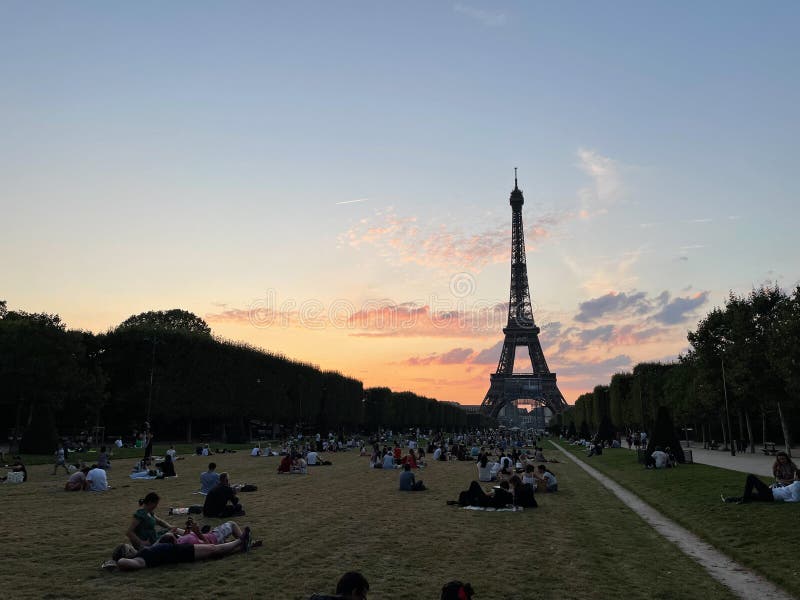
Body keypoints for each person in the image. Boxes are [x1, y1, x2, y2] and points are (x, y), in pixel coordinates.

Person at [106, 528, 252, 571]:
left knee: (213, 551)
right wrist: (115, 561)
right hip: (179, 554)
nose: (131, 547)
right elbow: (122, 563)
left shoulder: (144, 551)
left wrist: (167, 536)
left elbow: (157, 545)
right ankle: (241, 540)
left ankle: (241, 545)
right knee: (213, 549)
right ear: (126, 554)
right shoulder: (139, 560)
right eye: (128, 548)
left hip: (177, 548)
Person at [722, 474, 800, 503]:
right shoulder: (796, 484)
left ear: (797, 477)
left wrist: (784, 500)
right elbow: (788, 491)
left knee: (751, 477)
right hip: (771, 494)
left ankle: (744, 499)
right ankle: (731, 499)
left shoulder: (797, 484)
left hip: (771, 494)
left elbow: (796, 499)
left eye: (795, 475)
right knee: (751, 495)